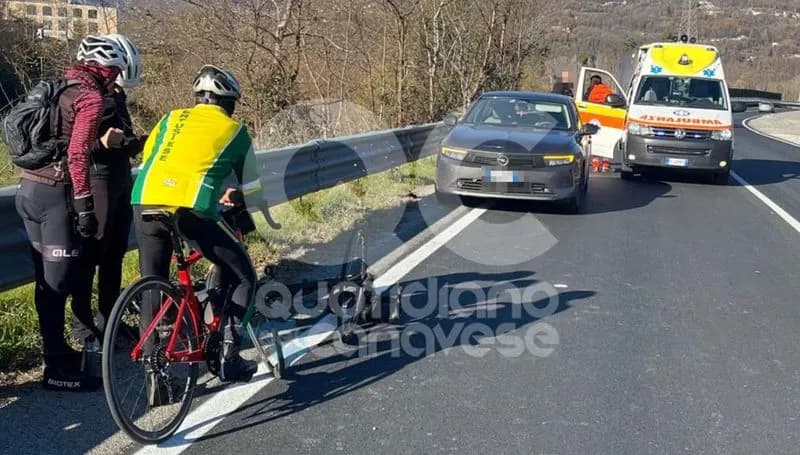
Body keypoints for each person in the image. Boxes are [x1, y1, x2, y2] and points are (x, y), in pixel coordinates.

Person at [130, 65, 263, 390]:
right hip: (189, 208)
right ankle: (229, 355)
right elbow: (254, 186)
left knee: (153, 282)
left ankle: (155, 377)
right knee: (245, 274)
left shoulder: (169, 119)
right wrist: (240, 201)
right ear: (229, 102)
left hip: (144, 199)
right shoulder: (235, 131)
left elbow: (155, 159)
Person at [15, 35, 130, 392]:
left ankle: (59, 355)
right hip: (53, 196)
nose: (115, 80)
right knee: (58, 283)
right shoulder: (90, 97)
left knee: (46, 283)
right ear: (106, 69)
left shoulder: (55, 86)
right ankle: (57, 370)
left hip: (27, 190)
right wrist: (84, 205)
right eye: (115, 72)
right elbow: (79, 155)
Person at [71, 34, 146, 346]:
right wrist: (109, 145)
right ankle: (84, 326)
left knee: (113, 255)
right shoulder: (90, 95)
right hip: (99, 179)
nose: (116, 82)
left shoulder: (115, 96)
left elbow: (119, 142)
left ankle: (109, 319)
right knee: (92, 253)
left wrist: (137, 143)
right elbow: (81, 145)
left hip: (118, 178)